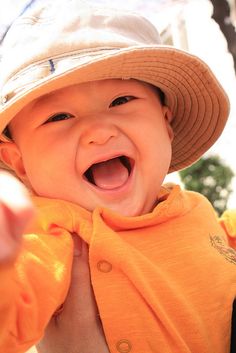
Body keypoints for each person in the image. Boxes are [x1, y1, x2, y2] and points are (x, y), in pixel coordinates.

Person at [0, 1, 236, 352]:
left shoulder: (199, 214)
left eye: (122, 99)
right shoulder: (51, 233)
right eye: (59, 117)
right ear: (17, 161)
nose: (99, 130)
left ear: (166, 124)